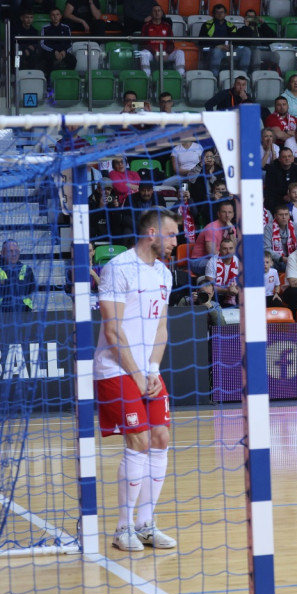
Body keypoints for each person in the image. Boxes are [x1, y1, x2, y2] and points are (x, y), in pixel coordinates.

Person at [94, 208, 180, 552]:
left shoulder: (164, 273)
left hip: (147, 371)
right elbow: (112, 331)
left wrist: (154, 370)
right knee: (140, 442)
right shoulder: (118, 267)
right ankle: (123, 527)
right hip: (116, 369)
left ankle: (146, 525)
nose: (177, 240)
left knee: (161, 437)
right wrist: (137, 372)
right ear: (153, 234)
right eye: (172, 234)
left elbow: (161, 326)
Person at [190, 199, 238, 275]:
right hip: (199, 261)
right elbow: (211, 253)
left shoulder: (231, 228)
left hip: (219, 260)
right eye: (224, 212)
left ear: (233, 215)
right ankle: (205, 283)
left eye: (230, 212)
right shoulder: (211, 228)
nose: (227, 215)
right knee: (221, 265)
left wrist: (230, 232)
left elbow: (234, 250)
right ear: (218, 214)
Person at [0, 239, 37, 313]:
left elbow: (31, 289)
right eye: (10, 251)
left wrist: (5, 282)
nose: (14, 254)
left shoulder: (27, 269)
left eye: (16, 251)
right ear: (2, 253)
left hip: (24, 314)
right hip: (0, 315)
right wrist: (19, 283)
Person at [200, 4, 247, 78]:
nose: (220, 14)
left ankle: (243, 76)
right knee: (217, 51)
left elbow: (236, 40)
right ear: (213, 14)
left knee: (246, 51)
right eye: (217, 12)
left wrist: (231, 46)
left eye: (222, 12)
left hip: (230, 52)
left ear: (225, 14)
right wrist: (217, 46)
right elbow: (202, 41)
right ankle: (214, 77)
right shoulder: (206, 25)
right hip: (213, 50)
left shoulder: (231, 26)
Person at [38, 8, 76, 76]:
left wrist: (64, 51)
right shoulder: (45, 28)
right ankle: (50, 81)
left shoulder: (66, 28)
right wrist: (54, 51)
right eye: (53, 15)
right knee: (47, 60)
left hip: (63, 52)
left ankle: (68, 78)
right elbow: (42, 44)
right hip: (50, 52)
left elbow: (70, 43)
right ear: (50, 17)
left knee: (73, 60)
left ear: (60, 16)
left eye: (57, 14)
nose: (55, 17)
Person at [206, 236, 240, 307]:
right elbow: (210, 287)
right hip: (217, 294)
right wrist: (227, 290)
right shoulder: (212, 262)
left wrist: (237, 290)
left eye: (231, 248)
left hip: (235, 293)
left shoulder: (239, 261)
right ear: (220, 250)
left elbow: (245, 282)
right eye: (225, 249)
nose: (228, 251)